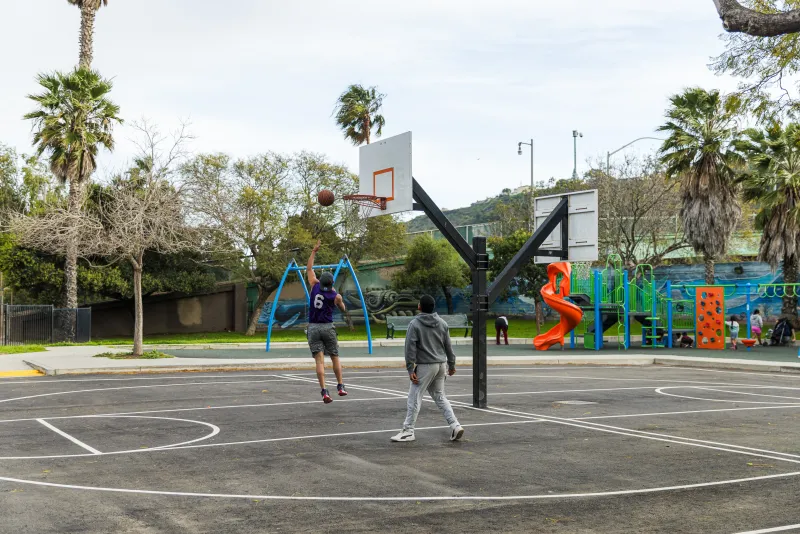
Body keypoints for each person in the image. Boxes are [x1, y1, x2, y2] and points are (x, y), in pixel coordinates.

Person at [391, 294, 464, 443]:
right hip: (441, 365)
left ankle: (408, 430)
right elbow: (448, 346)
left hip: (425, 366)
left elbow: (410, 348)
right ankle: (455, 425)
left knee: (414, 397)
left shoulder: (415, 324)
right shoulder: (442, 323)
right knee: (440, 396)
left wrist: (410, 369)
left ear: (419, 307)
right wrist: (452, 364)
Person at [306, 240, 348, 404]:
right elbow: (343, 308)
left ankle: (324, 391)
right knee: (335, 357)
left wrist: (314, 251)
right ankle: (340, 386)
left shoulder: (314, 286)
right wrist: (341, 301)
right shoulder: (334, 295)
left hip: (313, 327)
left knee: (319, 361)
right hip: (328, 327)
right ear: (331, 283)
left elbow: (309, 268)